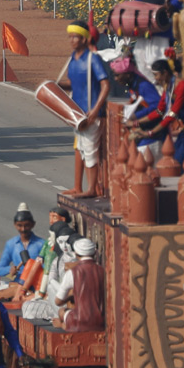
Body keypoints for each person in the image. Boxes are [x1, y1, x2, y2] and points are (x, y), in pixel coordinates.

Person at [126, 57, 184, 165]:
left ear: (165, 73)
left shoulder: (182, 85)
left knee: (178, 166)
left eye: (156, 75)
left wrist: (150, 132)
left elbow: (172, 113)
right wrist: (136, 123)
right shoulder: (168, 87)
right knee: (173, 163)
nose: (155, 78)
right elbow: (159, 111)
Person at [58, 21, 111, 198]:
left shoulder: (92, 58)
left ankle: (91, 189)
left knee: (89, 150)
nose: (72, 40)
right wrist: (56, 85)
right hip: (77, 114)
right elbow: (73, 83)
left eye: (75, 36)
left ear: (84, 38)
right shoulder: (73, 58)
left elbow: (105, 85)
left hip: (91, 115)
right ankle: (84, 188)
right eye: (70, 37)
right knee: (82, 149)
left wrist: (96, 110)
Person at [54, 237, 105, 332]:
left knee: (61, 311)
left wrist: (70, 295)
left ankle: (62, 325)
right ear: (94, 253)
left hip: (79, 321)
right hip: (101, 321)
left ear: (76, 254)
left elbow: (58, 301)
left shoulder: (72, 273)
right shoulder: (103, 271)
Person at [0, 203, 44, 281]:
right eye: (20, 225)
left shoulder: (42, 244)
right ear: (15, 225)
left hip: (36, 284)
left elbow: (49, 268)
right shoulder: (11, 244)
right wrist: (9, 269)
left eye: (26, 225)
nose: (23, 229)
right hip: (18, 284)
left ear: (33, 224)